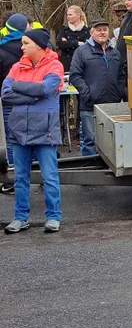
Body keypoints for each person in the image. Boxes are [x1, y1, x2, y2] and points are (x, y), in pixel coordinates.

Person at [2, 28, 64, 234]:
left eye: (26, 43)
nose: (22, 47)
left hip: (45, 129)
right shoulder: (16, 66)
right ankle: (20, 217)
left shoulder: (55, 66)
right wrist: (32, 95)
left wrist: (19, 87)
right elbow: (5, 94)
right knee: (20, 177)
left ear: (39, 45)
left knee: (49, 176)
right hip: (19, 129)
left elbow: (45, 89)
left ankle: (53, 216)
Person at [69, 19, 125, 156]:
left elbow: (121, 75)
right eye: (98, 30)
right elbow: (75, 76)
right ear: (91, 32)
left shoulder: (115, 52)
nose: (102, 33)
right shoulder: (82, 52)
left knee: (112, 141)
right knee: (90, 141)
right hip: (90, 106)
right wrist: (86, 92)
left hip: (112, 105)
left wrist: (120, 91)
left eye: (105, 30)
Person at [0, 14, 29, 193]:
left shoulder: (2, 49)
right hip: (32, 98)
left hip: (10, 99)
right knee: (34, 135)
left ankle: (13, 178)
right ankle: (37, 173)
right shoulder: (32, 47)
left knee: (13, 138)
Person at [55, 5, 90, 72]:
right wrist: (77, 43)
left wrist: (68, 43)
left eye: (70, 15)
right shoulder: (64, 31)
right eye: (67, 15)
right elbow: (60, 44)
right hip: (67, 65)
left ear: (78, 15)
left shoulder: (87, 31)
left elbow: (87, 46)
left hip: (83, 64)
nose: (68, 17)